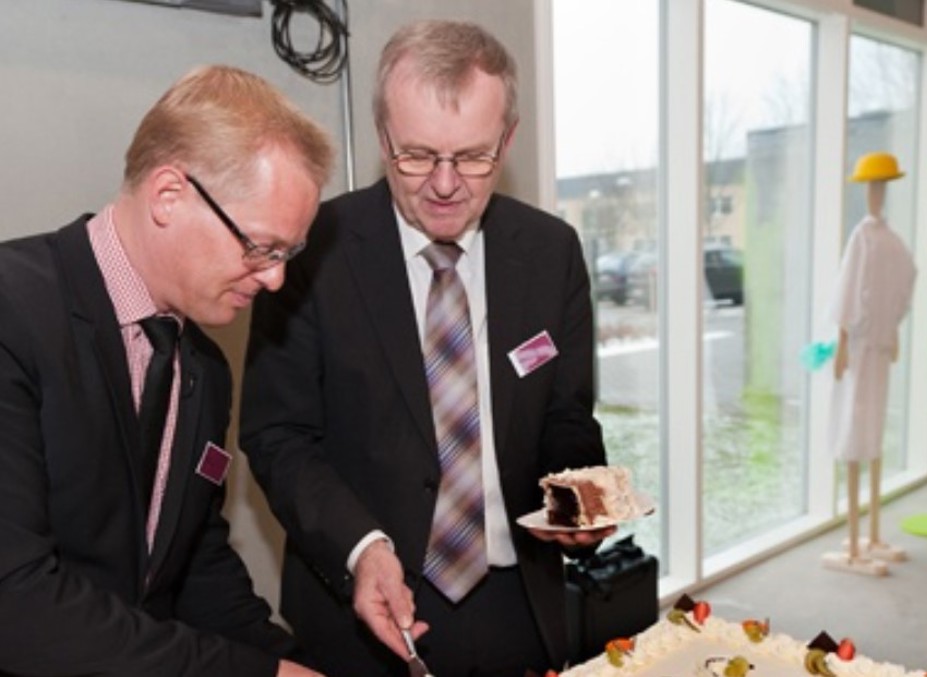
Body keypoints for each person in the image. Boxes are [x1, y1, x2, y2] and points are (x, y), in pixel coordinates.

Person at [240, 19, 612, 677]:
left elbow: (566, 416)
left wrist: (578, 493)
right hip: (360, 609)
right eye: (416, 155)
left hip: (519, 605)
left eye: (473, 156)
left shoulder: (551, 252)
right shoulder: (310, 249)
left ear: (509, 139)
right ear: (382, 138)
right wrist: (362, 548)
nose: (444, 184)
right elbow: (279, 435)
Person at [0, 65, 334, 676]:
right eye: (260, 246)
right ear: (168, 197)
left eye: (289, 253)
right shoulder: (13, 313)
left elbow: (195, 566)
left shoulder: (205, 369)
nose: (276, 277)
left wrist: (291, 664)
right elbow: (16, 602)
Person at [821, 151, 917, 577]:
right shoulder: (869, 237)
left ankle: (871, 534)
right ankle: (859, 537)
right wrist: (844, 343)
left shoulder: (884, 239)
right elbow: (852, 292)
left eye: (881, 187)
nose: (876, 194)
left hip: (872, 348)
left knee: (867, 430)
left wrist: (890, 329)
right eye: (872, 187)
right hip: (863, 348)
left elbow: (895, 284)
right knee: (858, 431)